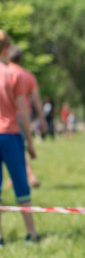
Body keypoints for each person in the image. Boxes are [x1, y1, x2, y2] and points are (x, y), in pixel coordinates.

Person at [0, 31, 40, 245]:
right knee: (21, 186)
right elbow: (23, 112)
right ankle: (31, 233)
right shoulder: (13, 75)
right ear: (6, 50)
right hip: (10, 135)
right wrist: (30, 143)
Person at [8, 46, 44, 188]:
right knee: (18, 146)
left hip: (10, 116)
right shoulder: (28, 75)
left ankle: (30, 176)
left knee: (16, 148)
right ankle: (15, 177)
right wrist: (42, 118)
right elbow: (36, 99)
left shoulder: (5, 73)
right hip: (26, 115)